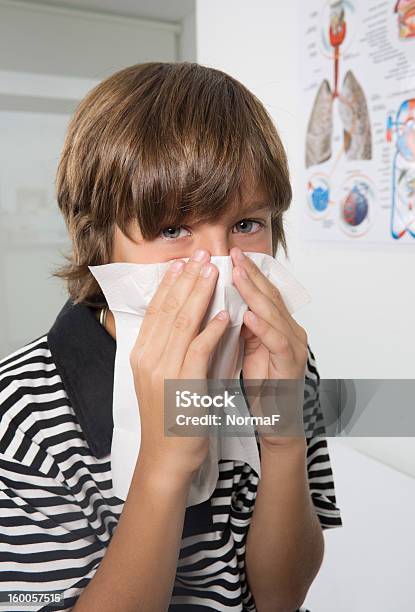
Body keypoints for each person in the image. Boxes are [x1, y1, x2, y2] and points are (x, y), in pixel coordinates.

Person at [0, 61, 342, 612]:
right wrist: (163, 464)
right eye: (172, 229)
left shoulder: (283, 364)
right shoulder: (22, 412)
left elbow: (282, 597)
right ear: (97, 240)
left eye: (246, 225)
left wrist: (280, 439)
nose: (218, 266)